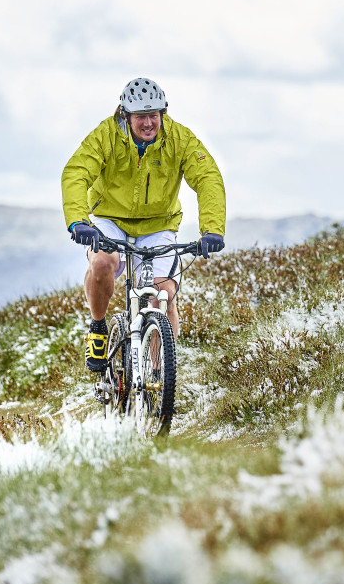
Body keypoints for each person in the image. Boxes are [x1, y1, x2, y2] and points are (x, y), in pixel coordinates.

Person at [62, 77, 226, 372]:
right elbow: (76, 172)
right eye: (141, 116)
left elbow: (207, 177)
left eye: (154, 115)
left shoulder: (179, 138)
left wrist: (212, 229)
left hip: (158, 224)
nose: (149, 123)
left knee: (161, 293)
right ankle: (98, 328)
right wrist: (78, 221)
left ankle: (161, 377)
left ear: (163, 113)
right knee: (102, 262)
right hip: (110, 218)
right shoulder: (106, 135)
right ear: (126, 116)